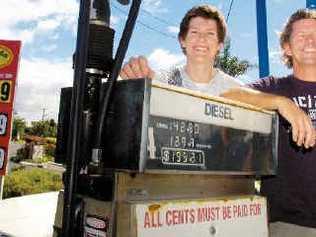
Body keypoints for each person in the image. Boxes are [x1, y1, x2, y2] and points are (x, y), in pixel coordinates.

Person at [120, 5, 315, 149]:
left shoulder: (234, 86)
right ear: (182, 40)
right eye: (195, 32)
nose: (202, 40)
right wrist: (133, 79)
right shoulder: (160, 80)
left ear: (220, 45)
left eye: (210, 34)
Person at [247, 9, 316, 237]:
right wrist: (282, 103)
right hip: (289, 223)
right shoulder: (274, 86)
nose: (310, 40)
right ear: (287, 47)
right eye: (301, 35)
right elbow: (226, 94)